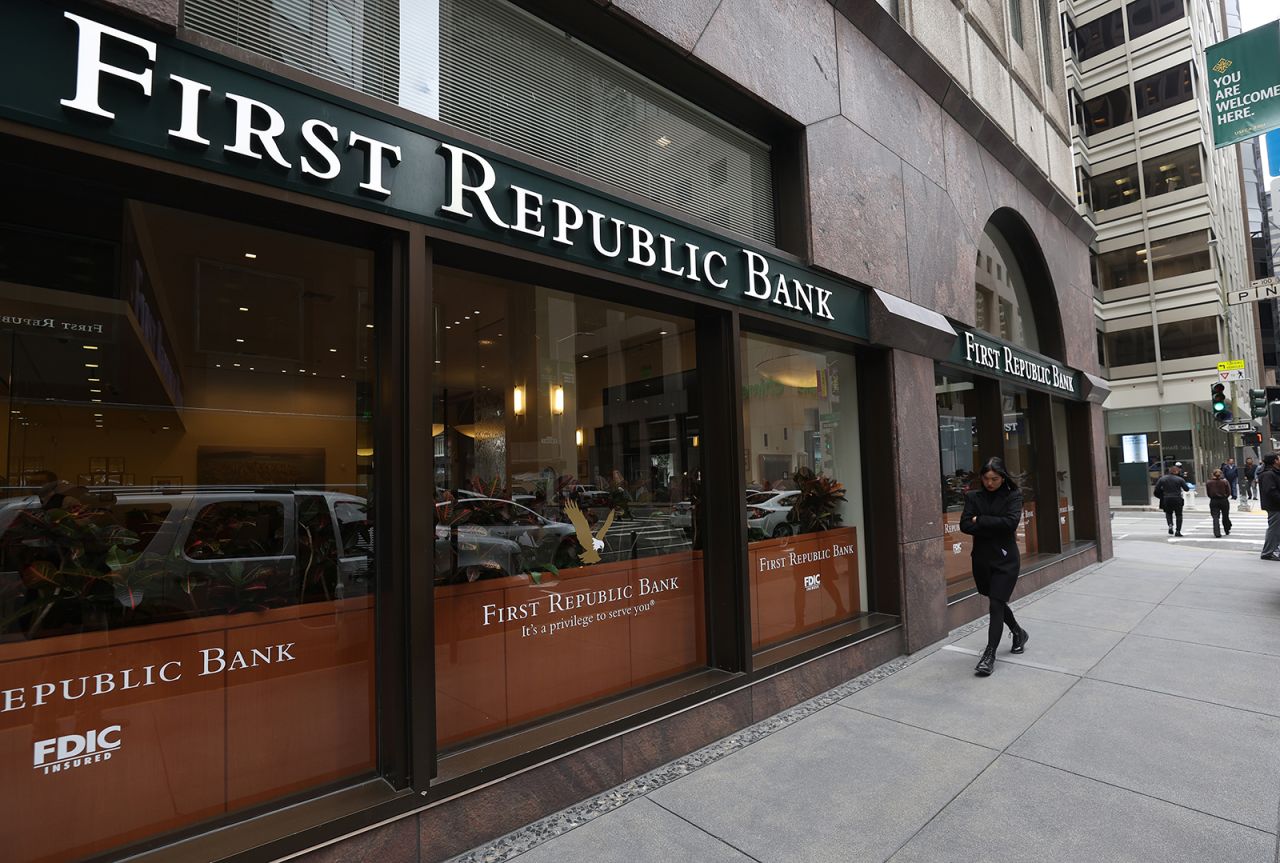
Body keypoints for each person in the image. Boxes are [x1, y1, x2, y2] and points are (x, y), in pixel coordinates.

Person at [959, 457, 1028, 677]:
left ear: (1003, 477)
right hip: (982, 559)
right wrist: (990, 523)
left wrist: (981, 520)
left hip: (1006, 560)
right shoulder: (973, 497)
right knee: (994, 599)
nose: (990, 483)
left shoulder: (1013, 496)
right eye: (986, 478)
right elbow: (965, 525)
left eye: (995, 479)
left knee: (996, 604)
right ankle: (1018, 632)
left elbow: (1011, 523)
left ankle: (989, 656)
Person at [1153, 466, 1189, 536]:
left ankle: (1170, 525)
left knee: (1168, 513)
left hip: (1166, 498)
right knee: (1179, 515)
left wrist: (1161, 496)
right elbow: (1186, 489)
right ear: (1176, 472)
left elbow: (1156, 489)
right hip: (1177, 498)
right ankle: (1178, 531)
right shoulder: (1180, 479)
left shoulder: (1162, 479)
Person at [1259, 454, 1280, 561]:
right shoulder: (1268, 474)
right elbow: (1270, 491)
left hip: (1276, 505)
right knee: (1274, 529)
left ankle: (1274, 550)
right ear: (1275, 461)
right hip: (1274, 506)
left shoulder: (1274, 473)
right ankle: (1268, 552)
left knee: (1276, 529)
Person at [1205, 469, 1232, 538]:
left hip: (1214, 500)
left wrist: (1212, 496)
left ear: (1213, 474)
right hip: (1224, 500)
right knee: (1225, 516)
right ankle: (1227, 529)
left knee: (1215, 517)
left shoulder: (1209, 483)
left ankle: (1217, 532)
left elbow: (1208, 493)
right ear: (1221, 474)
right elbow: (1229, 492)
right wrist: (1225, 496)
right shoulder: (1225, 482)